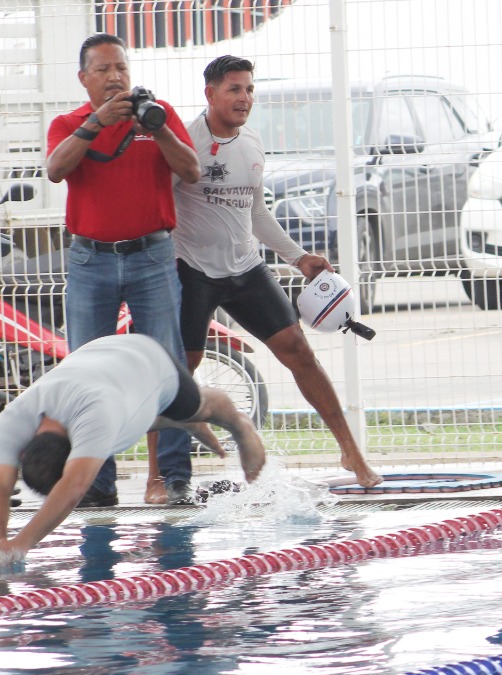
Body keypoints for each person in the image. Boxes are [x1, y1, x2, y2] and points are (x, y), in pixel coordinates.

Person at [156, 56, 382, 499]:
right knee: (179, 371)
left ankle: (351, 451)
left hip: (245, 268)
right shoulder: (184, 141)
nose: (245, 98)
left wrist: (299, 258)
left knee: (299, 351)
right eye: (235, 89)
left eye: (249, 90)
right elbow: (158, 205)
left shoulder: (253, 142)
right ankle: (162, 476)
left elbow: (256, 212)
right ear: (210, 94)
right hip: (193, 271)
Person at [46, 33, 200, 506]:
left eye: (123, 69)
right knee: (90, 371)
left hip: (152, 256)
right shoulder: (69, 123)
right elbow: (55, 170)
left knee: (165, 367)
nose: (116, 78)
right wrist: (96, 123)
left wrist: (157, 128)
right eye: (105, 70)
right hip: (91, 259)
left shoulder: (160, 115)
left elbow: (191, 170)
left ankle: (172, 478)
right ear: (83, 78)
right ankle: (97, 484)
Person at [0, 333, 266, 569]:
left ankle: (227, 423)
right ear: (23, 451)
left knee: (197, 407)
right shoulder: (12, 421)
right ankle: (185, 423)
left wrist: (21, 544)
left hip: (150, 363)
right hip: (101, 357)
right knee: (128, 415)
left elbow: (74, 487)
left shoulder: (94, 418)